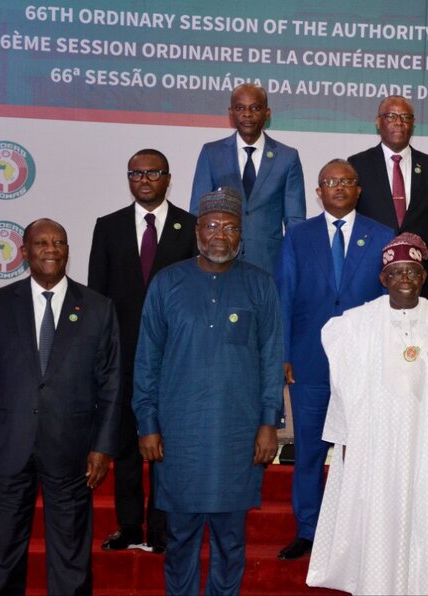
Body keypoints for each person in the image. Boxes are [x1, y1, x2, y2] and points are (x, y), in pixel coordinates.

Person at [307, 233, 428, 595]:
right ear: (383, 278)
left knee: (421, 525)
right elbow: (342, 390)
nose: (405, 279)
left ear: (423, 277)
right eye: (397, 272)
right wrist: (345, 446)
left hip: (425, 446)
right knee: (373, 528)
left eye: (413, 272)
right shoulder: (355, 324)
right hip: (372, 449)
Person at [133, 188, 284, 595]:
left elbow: (272, 359)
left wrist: (269, 424)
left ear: (242, 236)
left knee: (230, 541)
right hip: (180, 437)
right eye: (213, 225)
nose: (221, 235)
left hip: (237, 436)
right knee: (179, 539)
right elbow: (147, 359)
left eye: (231, 227)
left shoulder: (260, 285)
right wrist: (147, 423)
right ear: (197, 231)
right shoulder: (167, 284)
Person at [0, 218, 122, 595]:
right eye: (42, 243)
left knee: (70, 553)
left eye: (59, 242)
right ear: (24, 252)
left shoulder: (97, 308)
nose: (51, 249)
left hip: (72, 448)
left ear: (68, 250)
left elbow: (112, 383)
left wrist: (102, 446)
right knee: (2, 551)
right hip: (7, 445)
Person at [274, 159, 394, 560]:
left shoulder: (382, 235)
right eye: (330, 182)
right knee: (307, 450)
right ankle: (308, 530)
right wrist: (284, 354)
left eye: (346, 181)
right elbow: (284, 297)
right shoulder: (298, 236)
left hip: (365, 365)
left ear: (358, 189)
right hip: (309, 360)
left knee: (359, 454)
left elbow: (389, 304)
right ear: (318, 191)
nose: (338, 187)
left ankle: (356, 532)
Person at [89, 148, 198, 555]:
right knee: (126, 448)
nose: (145, 179)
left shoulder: (190, 227)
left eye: (154, 172)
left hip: (174, 361)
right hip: (121, 359)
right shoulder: (109, 227)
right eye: (137, 173)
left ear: (168, 178)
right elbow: (97, 298)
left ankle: (163, 529)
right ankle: (130, 526)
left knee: (166, 450)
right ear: (129, 179)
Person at [190, 83, 306, 274]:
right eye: (240, 108)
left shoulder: (288, 157)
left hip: (269, 262)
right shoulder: (212, 153)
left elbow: (295, 220)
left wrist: (293, 265)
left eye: (255, 108)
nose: (247, 114)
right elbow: (198, 212)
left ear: (267, 112)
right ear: (231, 112)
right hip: (219, 259)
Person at [348, 95, 428, 301]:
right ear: (378, 122)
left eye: (405, 117)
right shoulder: (358, 164)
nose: (399, 122)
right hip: (370, 271)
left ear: (413, 124)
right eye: (391, 116)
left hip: (419, 276)